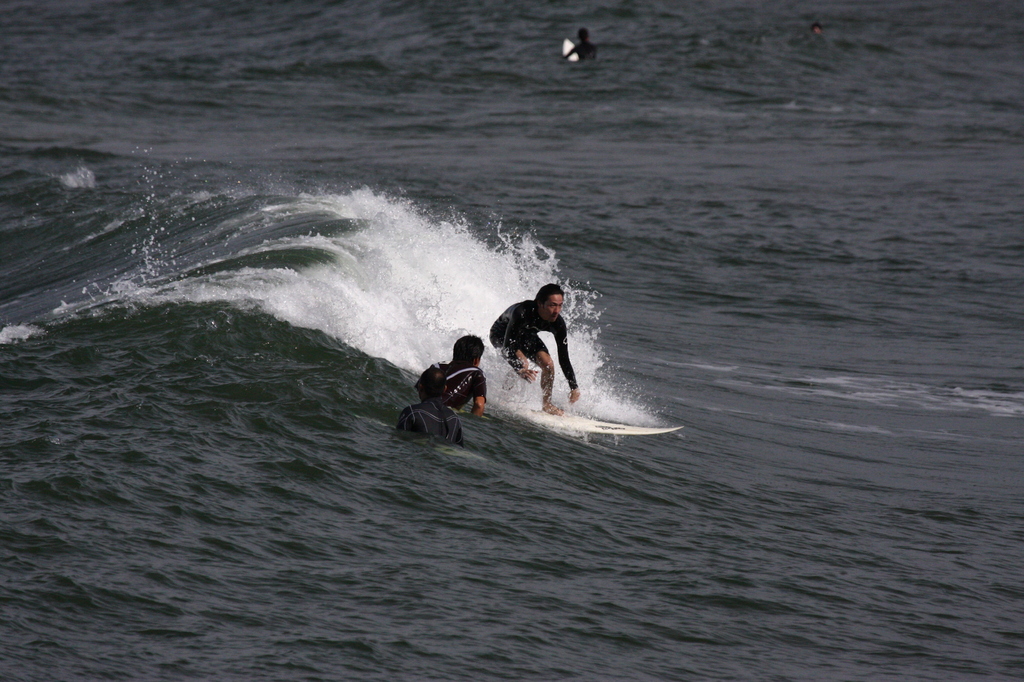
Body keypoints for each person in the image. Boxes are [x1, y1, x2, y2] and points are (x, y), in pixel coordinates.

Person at [490, 283, 580, 415]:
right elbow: (508, 345)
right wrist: (519, 368)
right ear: (540, 303)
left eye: (560, 305)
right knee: (522, 363)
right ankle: (504, 395)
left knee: (548, 364)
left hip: (526, 334)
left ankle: (547, 404)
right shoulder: (522, 312)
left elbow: (564, 357)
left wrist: (574, 387)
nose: (557, 311)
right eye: (552, 305)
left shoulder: (558, 323)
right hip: (501, 334)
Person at [396, 366, 464, 446]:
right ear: (445, 389)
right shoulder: (455, 419)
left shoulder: (412, 412)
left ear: (421, 387)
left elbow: (397, 443)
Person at [433, 335, 487, 416]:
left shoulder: (436, 366)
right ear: (476, 360)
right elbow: (479, 405)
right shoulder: (476, 372)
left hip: (423, 406)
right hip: (443, 413)